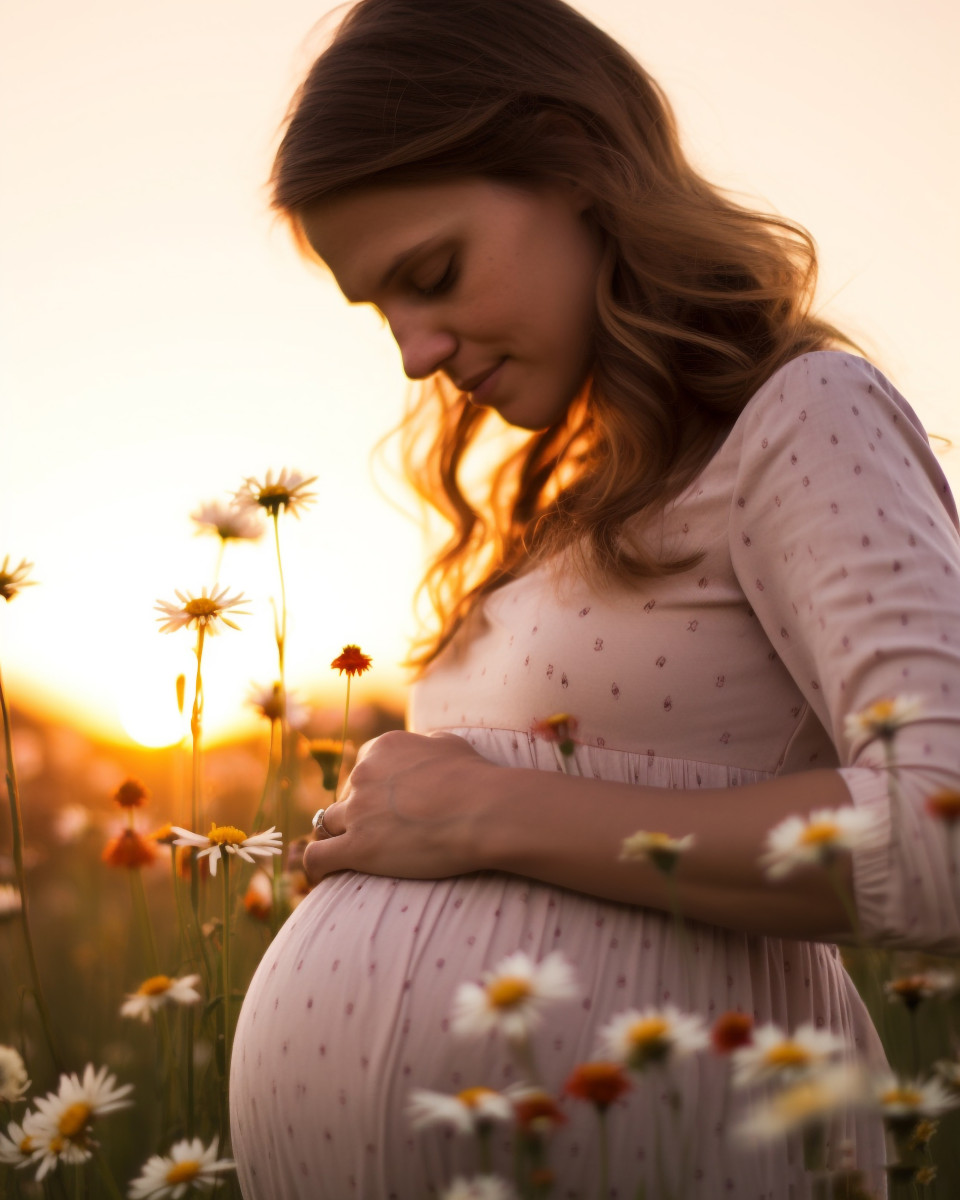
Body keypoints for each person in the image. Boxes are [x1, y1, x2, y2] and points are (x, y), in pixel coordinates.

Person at [230, 1, 960, 1195]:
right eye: (382, 309)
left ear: (575, 162)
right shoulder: (572, 500)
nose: (415, 353)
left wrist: (485, 814)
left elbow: (944, 826)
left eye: (432, 273)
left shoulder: (802, 415)